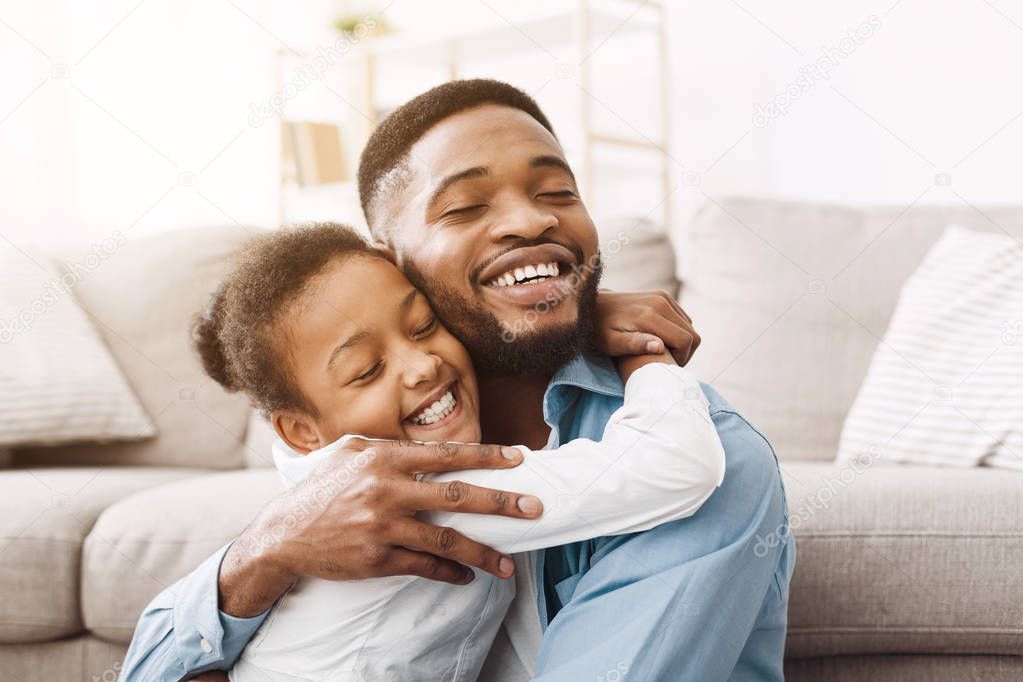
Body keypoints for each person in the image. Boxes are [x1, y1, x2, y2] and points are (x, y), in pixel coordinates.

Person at [123, 79, 794, 681]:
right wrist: (261, 554)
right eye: (465, 206)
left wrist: (638, 349)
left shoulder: (710, 457)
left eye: (557, 193)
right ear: (391, 263)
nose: (534, 221)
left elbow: (676, 467)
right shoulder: (350, 480)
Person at [187, 222, 725, 680]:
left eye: (424, 326)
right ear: (302, 432)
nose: (422, 366)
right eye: (368, 370)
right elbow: (678, 464)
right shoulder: (403, 492)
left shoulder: (328, 475)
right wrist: (644, 354)